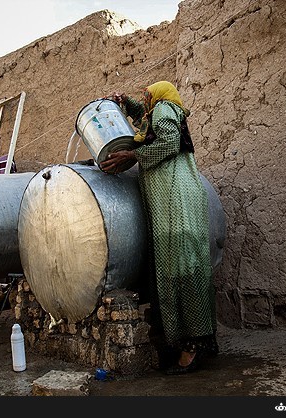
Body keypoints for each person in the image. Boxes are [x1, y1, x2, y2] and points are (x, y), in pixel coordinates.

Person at [100, 80, 218, 375]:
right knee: (185, 267)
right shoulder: (161, 112)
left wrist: (132, 155)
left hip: (174, 199)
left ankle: (190, 349)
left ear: (158, 96)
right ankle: (197, 341)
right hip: (171, 200)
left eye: (146, 96)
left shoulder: (164, 109)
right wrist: (125, 101)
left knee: (180, 267)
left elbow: (168, 143)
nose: (145, 100)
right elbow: (147, 121)